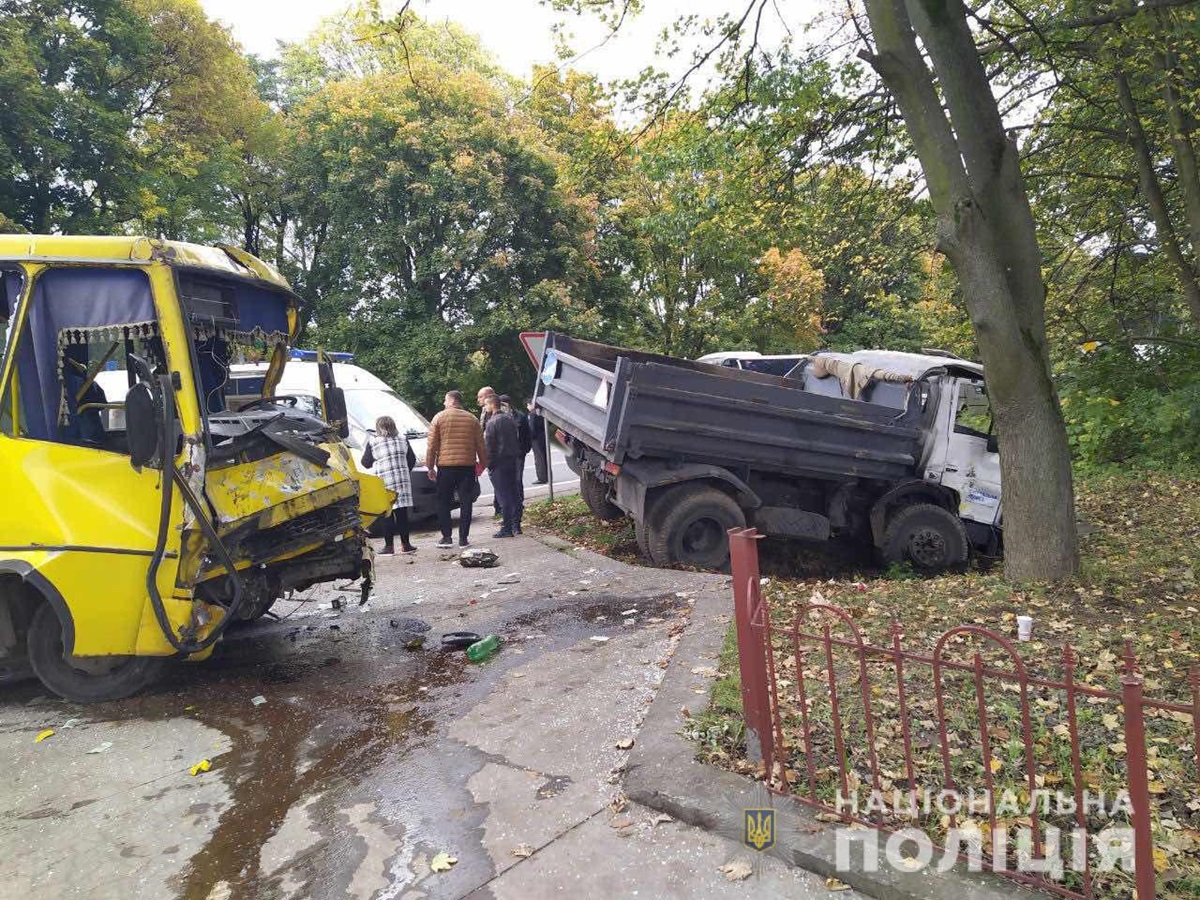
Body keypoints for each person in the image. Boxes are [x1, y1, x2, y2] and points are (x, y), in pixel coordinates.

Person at [426, 390, 488, 549]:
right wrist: (483, 463)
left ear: (452, 401)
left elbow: (432, 445)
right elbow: (480, 444)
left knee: (443, 501)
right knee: (466, 502)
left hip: (446, 467)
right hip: (467, 467)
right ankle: (463, 539)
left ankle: (447, 537)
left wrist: (430, 466)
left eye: (445, 400)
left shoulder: (439, 418)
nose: (444, 403)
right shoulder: (472, 419)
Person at [360, 415, 416, 554]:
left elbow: (365, 463)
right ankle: (406, 545)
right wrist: (403, 470)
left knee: (387, 515)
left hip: (384, 482)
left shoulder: (374, 442)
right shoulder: (403, 439)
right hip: (402, 481)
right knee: (402, 514)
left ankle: (389, 546)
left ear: (378, 427)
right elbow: (412, 460)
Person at [483, 395, 523, 537]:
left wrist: (489, 464)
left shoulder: (492, 422)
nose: (485, 408)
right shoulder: (509, 419)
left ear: (491, 405)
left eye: (486, 405)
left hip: (499, 462)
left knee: (503, 496)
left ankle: (506, 527)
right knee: (514, 493)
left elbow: (489, 446)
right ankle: (516, 525)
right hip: (512, 460)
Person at [501, 394, 531, 506]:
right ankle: (507, 503)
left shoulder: (519, 416)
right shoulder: (497, 418)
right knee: (505, 479)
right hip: (504, 454)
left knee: (518, 478)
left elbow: (527, 433)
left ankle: (519, 502)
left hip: (518, 452)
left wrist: (525, 449)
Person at [528, 400, 548, 485]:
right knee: (544, 457)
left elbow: (532, 428)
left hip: (536, 439)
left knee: (539, 459)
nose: (527, 406)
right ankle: (547, 475)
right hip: (543, 436)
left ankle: (542, 477)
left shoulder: (532, 414)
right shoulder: (541, 412)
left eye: (528, 404)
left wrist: (529, 438)